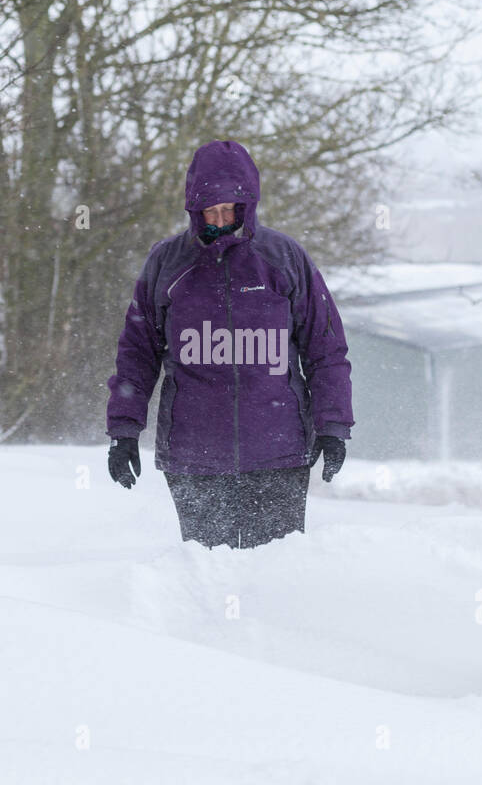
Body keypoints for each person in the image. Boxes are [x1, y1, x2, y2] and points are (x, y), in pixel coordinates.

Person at [105, 139, 354, 548]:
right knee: (207, 569)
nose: (220, 219)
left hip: (279, 451)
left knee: (276, 568)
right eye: (210, 210)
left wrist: (333, 426)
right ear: (193, 208)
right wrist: (124, 430)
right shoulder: (167, 262)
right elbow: (137, 353)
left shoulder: (284, 257)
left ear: (248, 206)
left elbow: (325, 348)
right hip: (194, 456)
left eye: (231, 209)